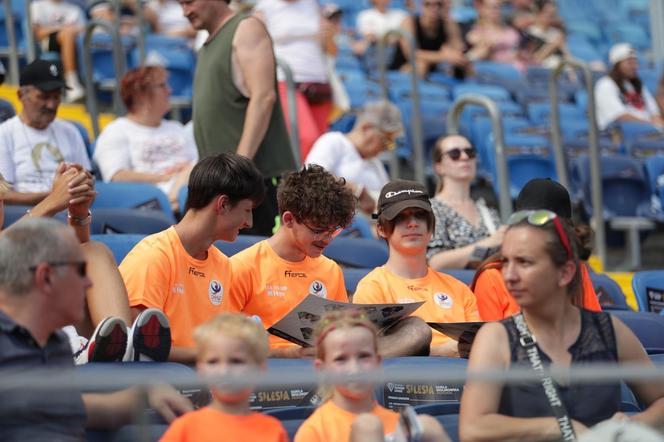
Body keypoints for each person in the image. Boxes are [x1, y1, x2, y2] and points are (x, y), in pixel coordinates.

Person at [458, 209, 664, 441]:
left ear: (565, 272)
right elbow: (473, 428)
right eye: (506, 262)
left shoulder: (609, 330)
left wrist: (632, 425)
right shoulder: (496, 337)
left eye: (524, 262)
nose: (509, 275)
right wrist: (558, 427)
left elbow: (660, 399)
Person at [0, 218, 193, 440]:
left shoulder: (56, 342)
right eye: (80, 272)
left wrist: (141, 396)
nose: (89, 284)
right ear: (46, 277)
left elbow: (75, 409)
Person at [120, 153, 265, 364]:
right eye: (247, 210)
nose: (249, 223)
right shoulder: (152, 257)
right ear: (223, 204)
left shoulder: (223, 264)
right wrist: (218, 359)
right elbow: (140, 349)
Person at [181, 0, 296, 236]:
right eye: (181, 4)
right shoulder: (208, 45)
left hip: (255, 185)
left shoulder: (246, 28)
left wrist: (237, 169)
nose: (185, 11)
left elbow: (263, 97)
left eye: (189, 2)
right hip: (225, 187)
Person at [226, 165, 354, 357]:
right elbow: (223, 346)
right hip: (263, 375)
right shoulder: (241, 267)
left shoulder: (330, 270)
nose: (327, 240)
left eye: (333, 230)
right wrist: (291, 354)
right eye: (318, 230)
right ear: (289, 220)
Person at [354, 180, 480, 357]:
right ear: (381, 229)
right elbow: (368, 358)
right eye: (401, 216)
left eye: (420, 215)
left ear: (431, 228)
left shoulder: (459, 290)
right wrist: (442, 351)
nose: (412, 223)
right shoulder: (372, 287)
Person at [294, 310, 450, 442]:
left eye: (363, 356)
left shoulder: (396, 423)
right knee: (367, 427)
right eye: (341, 359)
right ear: (322, 369)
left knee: (428, 425)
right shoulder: (314, 430)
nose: (354, 368)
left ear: (378, 362)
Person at [472, 178, 602, 322]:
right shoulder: (492, 277)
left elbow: (594, 330)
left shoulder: (577, 270)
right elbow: (490, 341)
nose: (511, 275)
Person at [160, 313, 288, 441]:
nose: (224, 371)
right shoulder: (185, 429)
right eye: (213, 361)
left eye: (236, 361)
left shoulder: (273, 430)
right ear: (201, 369)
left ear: (260, 369)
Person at [94, 66, 198, 213]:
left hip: (191, 189)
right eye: (162, 86)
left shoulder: (177, 128)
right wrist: (166, 177)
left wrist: (187, 169)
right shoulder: (116, 130)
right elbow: (116, 177)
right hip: (151, 203)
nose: (169, 91)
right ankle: (174, 204)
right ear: (140, 95)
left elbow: (198, 162)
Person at [0, 60, 91, 207]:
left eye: (56, 97)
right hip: (23, 218)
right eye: (43, 97)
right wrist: (55, 197)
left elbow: (88, 182)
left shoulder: (71, 131)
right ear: (21, 95)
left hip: (68, 214)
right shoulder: (4, 134)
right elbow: (3, 195)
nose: (51, 105)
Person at [255, 0, 335, 160]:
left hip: (318, 81)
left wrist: (328, 35)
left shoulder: (312, 5)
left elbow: (331, 49)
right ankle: (299, 183)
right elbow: (255, 46)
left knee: (321, 145)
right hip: (285, 79)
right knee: (306, 138)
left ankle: (314, 184)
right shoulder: (265, 7)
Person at [305, 100, 403, 216]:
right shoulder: (334, 141)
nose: (387, 148)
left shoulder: (375, 164)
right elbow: (311, 177)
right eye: (386, 140)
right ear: (366, 127)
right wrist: (358, 192)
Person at [427, 135, 505, 270]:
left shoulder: (486, 211)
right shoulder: (431, 209)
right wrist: (489, 243)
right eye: (454, 154)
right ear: (438, 167)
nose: (464, 157)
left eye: (470, 152)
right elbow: (435, 262)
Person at [389, 0, 469, 78]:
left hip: (432, 69)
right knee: (421, 65)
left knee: (465, 65)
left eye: (438, 4)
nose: (434, 8)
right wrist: (443, 56)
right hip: (402, 68)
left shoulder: (448, 23)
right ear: (420, 6)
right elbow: (411, 55)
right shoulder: (409, 22)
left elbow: (459, 50)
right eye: (428, 4)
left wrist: (455, 54)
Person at [595, 43, 664, 131]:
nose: (634, 66)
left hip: (646, 131)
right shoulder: (605, 84)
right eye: (629, 63)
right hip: (618, 134)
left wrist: (657, 124)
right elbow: (620, 117)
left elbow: (654, 113)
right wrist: (651, 124)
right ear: (617, 65)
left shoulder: (637, 84)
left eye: (635, 62)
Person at [30, 0, 86, 102]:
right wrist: (63, 29)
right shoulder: (37, 6)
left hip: (76, 44)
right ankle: (71, 82)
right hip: (48, 43)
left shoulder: (75, 10)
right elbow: (38, 33)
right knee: (68, 33)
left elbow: (83, 32)